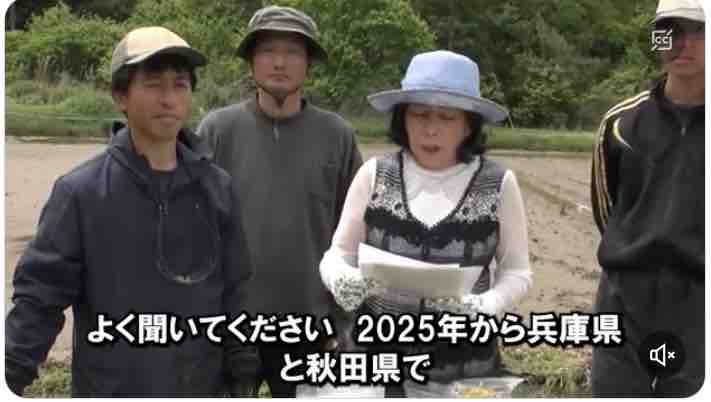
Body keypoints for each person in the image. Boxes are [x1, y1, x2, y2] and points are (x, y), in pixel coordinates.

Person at [4, 26, 258, 396]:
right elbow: (39, 300)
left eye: (180, 85)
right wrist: (10, 374)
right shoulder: (81, 193)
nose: (168, 99)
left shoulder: (217, 188)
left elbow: (236, 289)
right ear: (120, 96)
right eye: (153, 85)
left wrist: (243, 367)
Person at [319, 50, 532, 397]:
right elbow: (338, 254)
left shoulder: (497, 184)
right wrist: (341, 277)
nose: (431, 130)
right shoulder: (375, 175)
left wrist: (487, 305)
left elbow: (517, 272)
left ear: (469, 124)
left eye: (447, 117)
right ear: (402, 119)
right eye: (419, 115)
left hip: (463, 368)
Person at [196, 5, 363, 397]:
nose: (280, 63)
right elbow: (193, 229)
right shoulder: (218, 130)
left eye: (292, 53)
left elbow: (356, 235)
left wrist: (345, 321)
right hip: (232, 323)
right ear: (251, 61)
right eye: (268, 51)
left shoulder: (336, 135)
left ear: (308, 64)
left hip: (311, 323)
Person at [590, 0, 704, 397]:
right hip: (624, 298)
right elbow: (607, 209)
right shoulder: (620, 123)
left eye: (698, 30)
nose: (682, 42)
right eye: (669, 31)